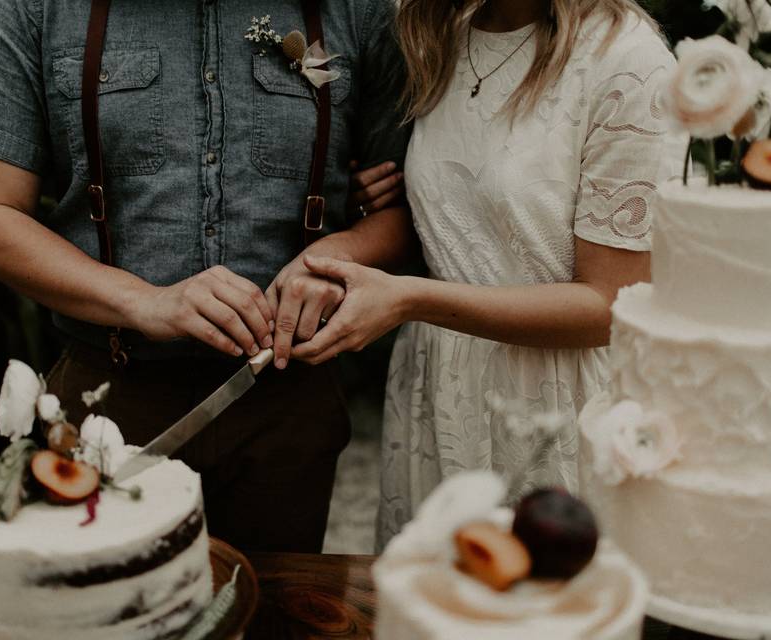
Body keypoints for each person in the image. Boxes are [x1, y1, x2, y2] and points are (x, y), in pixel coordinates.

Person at [0, 0, 414, 553]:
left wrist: (337, 256)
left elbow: (409, 210)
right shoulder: (36, 9)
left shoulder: (356, 11)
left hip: (286, 406)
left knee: (275, 617)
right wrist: (145, 303)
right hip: (109, 402)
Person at [289, 0, 685, 549]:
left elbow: (609, 307)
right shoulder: (438, 36)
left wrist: (409, 300)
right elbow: (454, 214)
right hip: (439, 392)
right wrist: (367, 207)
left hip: (554, 405)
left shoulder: (627, 62)